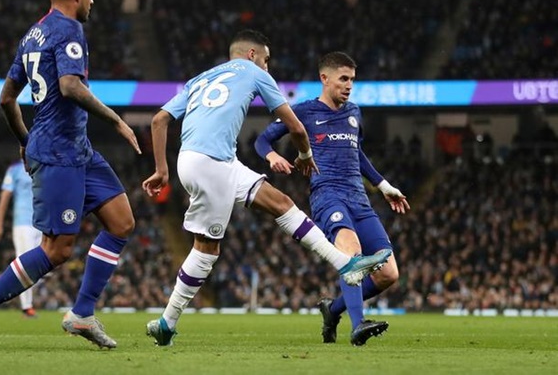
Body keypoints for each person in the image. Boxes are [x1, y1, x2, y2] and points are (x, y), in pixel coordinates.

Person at [141, 30, 391, 347]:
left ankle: (347, 265)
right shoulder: (254, 73)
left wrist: (162, 169)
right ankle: (166, 323)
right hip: (211, 164)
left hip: (207, 161)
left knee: (280, 202)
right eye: (266, 60)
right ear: (251, 56)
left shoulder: (201, 78)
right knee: (205, 251)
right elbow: (296, 127)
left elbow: (159, 120)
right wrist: (304, 155)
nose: (268, 67)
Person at [0, 0, 141, 351]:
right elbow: (71, 86)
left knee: (122, 221)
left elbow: (8, 98)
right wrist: (116, 121)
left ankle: (82, 315)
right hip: (58, 153)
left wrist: (24, 140)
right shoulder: (69, 29)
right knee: (57, 250)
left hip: (77, 149)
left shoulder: (32, 35)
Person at [254, 51, 410, 346]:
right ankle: (358, 324)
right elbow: (262, 139)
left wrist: (384, 185)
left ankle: (333, 309)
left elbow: (357, 154)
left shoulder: (354, 113)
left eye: (352, 79)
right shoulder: (303, 111)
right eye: (343, 79)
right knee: (351, 253)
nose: (349, 85)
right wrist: (273, 155)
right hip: (327, 195)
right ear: (324, 79)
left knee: (388, 274)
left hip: (360, 199)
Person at [0, 160, 42, 318]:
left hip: (41, 222)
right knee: (26, 263)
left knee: (41, 264)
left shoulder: (42, 166)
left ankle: (27, 302)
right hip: (22, 223)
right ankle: (26, 306)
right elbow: (5, 196)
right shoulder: (14, 170)